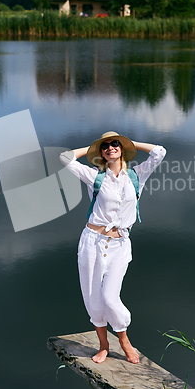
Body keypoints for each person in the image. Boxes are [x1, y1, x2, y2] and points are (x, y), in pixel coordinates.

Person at [59, 132, 166, 364]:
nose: (110, 148)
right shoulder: (94, 177)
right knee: (92, 297)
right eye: (105, 146)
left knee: (110, 296)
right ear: (101, 153)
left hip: (119, 245)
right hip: (91, 242)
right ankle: (104, 345)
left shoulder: (137, 175)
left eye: (115, 144)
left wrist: (130, 143)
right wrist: (93, 147)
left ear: (122, 148)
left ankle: (124, 340)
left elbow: (159, 152)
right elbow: (65, 158)